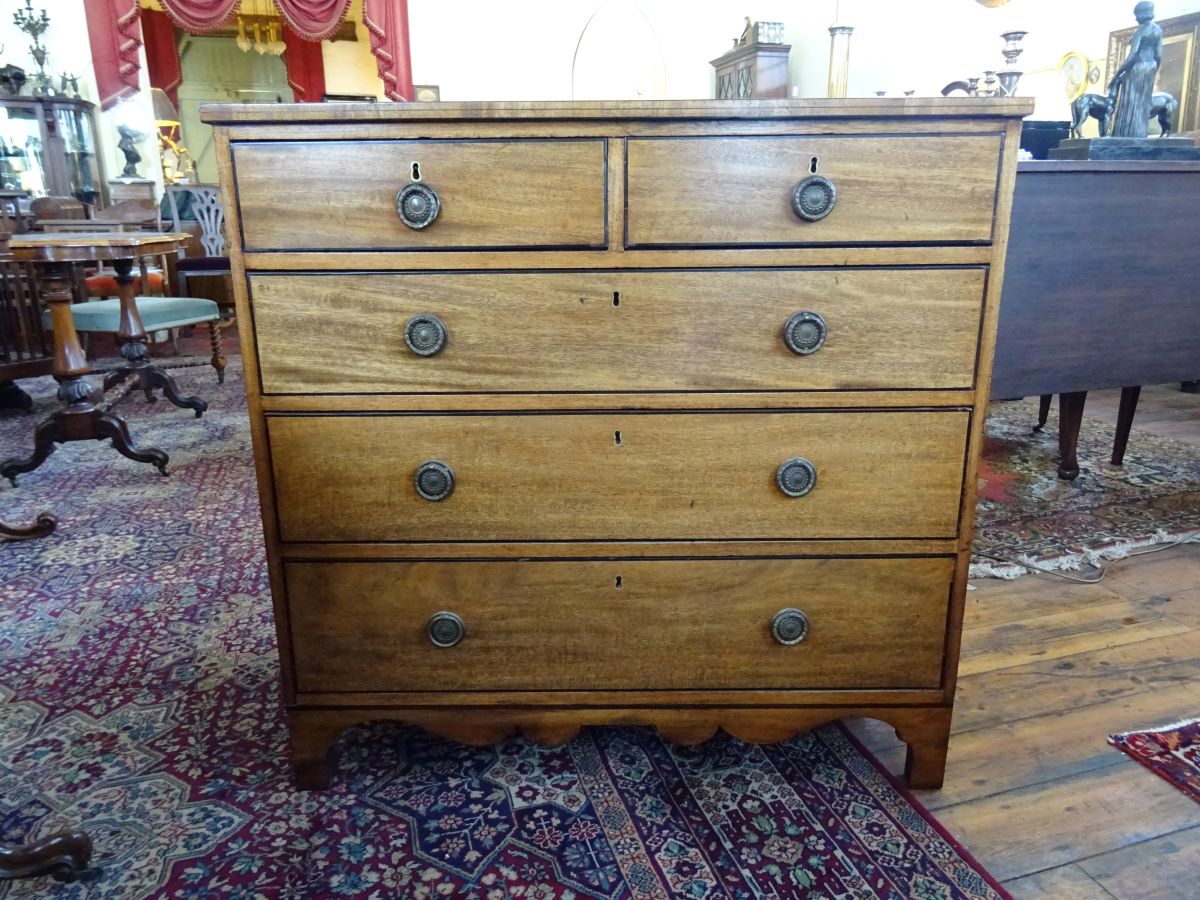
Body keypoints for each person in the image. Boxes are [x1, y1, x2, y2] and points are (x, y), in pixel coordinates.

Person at [1108, 1, 1163, 138]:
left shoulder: (1141, 30)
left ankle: (1126, 134)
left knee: (1131, 102)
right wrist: (1154, 69)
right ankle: (1139, 133)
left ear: (1142, 15)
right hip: (1150, 68)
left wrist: (1117, 75)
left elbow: (1133, 55)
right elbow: (1158, 55)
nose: (1136, 19)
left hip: (1137, 68)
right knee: (1142, 103)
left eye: (1137, 16)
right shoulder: (1157, 30)